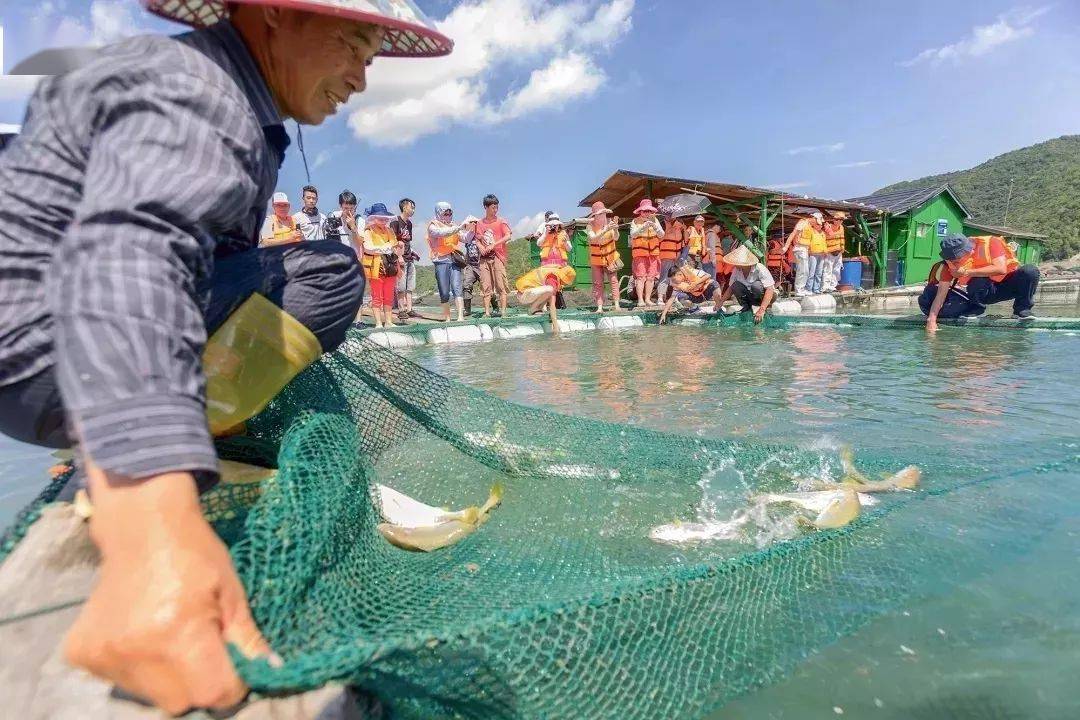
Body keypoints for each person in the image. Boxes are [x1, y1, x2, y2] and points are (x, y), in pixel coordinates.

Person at [0, 0, 451, 713]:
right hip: (54, 345)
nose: (362, 78)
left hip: (33, 364)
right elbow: (130, 255)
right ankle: (169, 438)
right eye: (355, 44)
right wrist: (153, 526)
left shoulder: (209, 88)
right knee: (330, 274)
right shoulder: (200, 89)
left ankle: (166, 426)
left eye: (372, 58)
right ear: (275, 14)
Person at [921, 233, 1040, 332]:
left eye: (957, 258)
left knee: (1030, 271)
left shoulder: (992, 243)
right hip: (984, 292)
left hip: (1007, 286)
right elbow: (940, 295)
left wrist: (967, 272)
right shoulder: (949, 265)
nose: (954, 262)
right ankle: (976, 310)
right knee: (978, 279)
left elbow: (1001, 268)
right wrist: (931, 320)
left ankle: (1022, 309)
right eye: (951, 259)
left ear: (968, 250)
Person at [324, 190, 366, 307]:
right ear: (340, 206)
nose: (348, 211)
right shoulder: (333, 216)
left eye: (352, 208)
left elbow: (360, 242)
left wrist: (353, 227)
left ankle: (358, 321)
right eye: (345, 208)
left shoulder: (359, 220)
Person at [361, 203, 399, 329]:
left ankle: (388, 321)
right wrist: (386, 247)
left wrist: (385, 247)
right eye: (380, 218)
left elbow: (394, 245)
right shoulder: (368, 230)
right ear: (373, 218)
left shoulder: (389, 230)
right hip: (376, 268)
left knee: (389, 295)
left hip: (390, 267)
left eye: (385, 218)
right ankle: (378, 323)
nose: (383, 221)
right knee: (377, 296)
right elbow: (368, 247)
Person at [428, 201, 466, 322]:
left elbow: (465, 238)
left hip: (454, 260)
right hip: (441, 261)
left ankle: (460, 317)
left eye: (450, 213)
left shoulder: (454, 226)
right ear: (439, 213)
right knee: (444, 292)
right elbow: (441, 233)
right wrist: (457, 228)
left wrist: (472, 229)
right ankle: (447, 318)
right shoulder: (433, 226)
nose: (448, 216)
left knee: (457, 287)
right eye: (446, 213)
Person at [475, 194, 513, 317]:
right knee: (486, 285)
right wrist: (481, 247)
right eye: (492, 207)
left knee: (500, 284)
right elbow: (477, 239)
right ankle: (486, 313)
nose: (495, 210)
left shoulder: (501, 221)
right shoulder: (480, 223)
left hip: (498, 256)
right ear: (485, 207)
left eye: (496, 207)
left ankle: (503, 312)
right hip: (484, 258)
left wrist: (494, 244)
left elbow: (508, 236)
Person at [718, 245, 776, 324]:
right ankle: (746, 307)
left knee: (756, 285)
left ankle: (761, 307)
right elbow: (731, 288)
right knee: (735, 285)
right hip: (748, 296)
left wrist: (762, 309)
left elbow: (770, 289)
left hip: (762, 297)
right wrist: (721, 302)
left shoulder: (760, 268)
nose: (735, 265)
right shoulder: (736, 270)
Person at [658, 260, 724, 324]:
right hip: (696, 297)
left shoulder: (692, 272)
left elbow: (708, 275)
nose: (674, 281)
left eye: (674, 279)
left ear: (679, 274)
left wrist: (696, 283)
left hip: (706, 292)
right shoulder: (677, 284)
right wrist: (664, 314)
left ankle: (718, 308)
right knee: (681, 297)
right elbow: (671, 298)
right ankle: (694, 308)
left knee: (714, 284)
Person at [586, 201, 621, 313]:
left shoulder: (610, 222)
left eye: (604, 213)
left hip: (610, 259)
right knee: (598, 284)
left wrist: (615, 229)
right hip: (596, 260)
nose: (603, 216)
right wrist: (605, 229)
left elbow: (616, 238)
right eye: (600, 214)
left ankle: (616, 305)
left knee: (614, 281)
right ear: (595, 216)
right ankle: (600, 307)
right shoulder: (589, 226)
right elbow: (593, 238)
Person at [629, 198, 663, 307]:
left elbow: (662, 235)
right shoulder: (635, 221)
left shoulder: (655, 220)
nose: (647, 213)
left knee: (651, 277)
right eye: (645, 211)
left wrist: (655, 226)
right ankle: (640, 300)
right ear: (640, 211)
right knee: (640, 277)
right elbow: (633, 234)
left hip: (653, 254)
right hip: (640, 254)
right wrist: (644, 227)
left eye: (649, 211)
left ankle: (648, 299)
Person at [782, 211, 824, 296]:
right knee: (802, 270)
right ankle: (799, 289)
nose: (816, 223)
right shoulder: (802, 223)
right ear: (813, 218)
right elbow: (793, 234)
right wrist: (786, 247)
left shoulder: (809, 225)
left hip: (805, 249)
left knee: (806, 271)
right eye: (816, 221)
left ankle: (802, 288)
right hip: (799, 249)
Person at [390, 198, 419, 320]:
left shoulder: (409, 224)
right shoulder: (395, 222)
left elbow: (407, 241)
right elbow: (393, 241)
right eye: (411, 207)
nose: (413, 210)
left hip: (409, 257)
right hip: (400, 258)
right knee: (401, 286)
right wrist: (399, 256)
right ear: (404, 207)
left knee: (410, 286)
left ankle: (409, 309)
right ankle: (401, 309)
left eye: (413, 207)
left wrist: (412, 253)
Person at [460, 215, 483, 316]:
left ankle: (495, 307)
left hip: (481, 265)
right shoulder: (467, 237)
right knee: (466, 285)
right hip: (470, 265)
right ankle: (467, 310)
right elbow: (459, 234)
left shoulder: (481, 234)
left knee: (486, 286)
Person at [658, 211, 687, 291]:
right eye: (668, 215)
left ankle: (671, 297)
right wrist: (669, 230)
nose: (670, 216)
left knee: (674, 279)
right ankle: (660, 297)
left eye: (672, 215)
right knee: (664, 277)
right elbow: (658, 239)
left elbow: (683, 242)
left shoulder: (679, 225)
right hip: (664, 256)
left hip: (676, 257)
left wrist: (684, 229)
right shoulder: (661, 224)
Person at [821, 212, 846, 293]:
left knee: (836, 270)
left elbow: (842, 238)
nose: (839, 221)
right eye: (838, 219)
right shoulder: (828, 227)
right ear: (834, 220)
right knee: (828, 269)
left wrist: (842, 249)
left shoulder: (841, 227)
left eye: (841, 220)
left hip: (838, 251)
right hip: (829, 251)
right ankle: (825, 286)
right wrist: (824, 250)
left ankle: (833, 286)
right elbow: (823, 238)